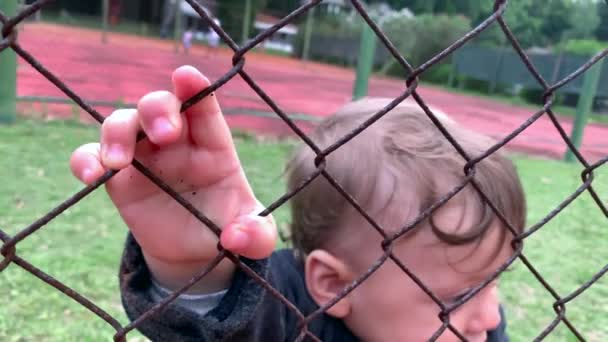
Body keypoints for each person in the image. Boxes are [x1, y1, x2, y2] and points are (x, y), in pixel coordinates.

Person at [69, 65, 525, 341]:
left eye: (494, 280)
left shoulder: (476, 330)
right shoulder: (286, 309)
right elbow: (237, 328)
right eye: (459, 296)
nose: (490, 316)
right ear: (337, 284)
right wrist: (194, 264)